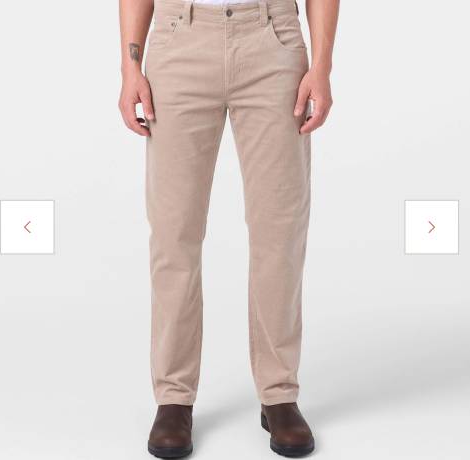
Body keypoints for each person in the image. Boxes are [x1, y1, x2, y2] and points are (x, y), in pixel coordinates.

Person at [119, 0, 339, 456]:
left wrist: (322, 66)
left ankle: (279, 393)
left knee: (279, 231)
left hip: (272, 39)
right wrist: (130, 66)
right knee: (173, 232)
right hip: (180, 38)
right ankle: (173, 398)